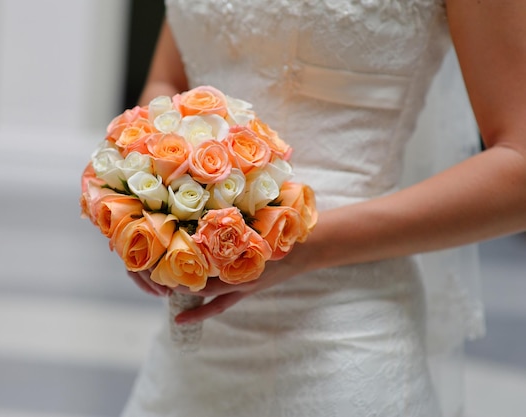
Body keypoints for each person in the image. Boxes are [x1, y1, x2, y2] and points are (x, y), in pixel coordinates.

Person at [120, 1, 526, 416]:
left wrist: (302, 245)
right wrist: (149, 198)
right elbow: (167, 82)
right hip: (194, 349)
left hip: (345, 335)